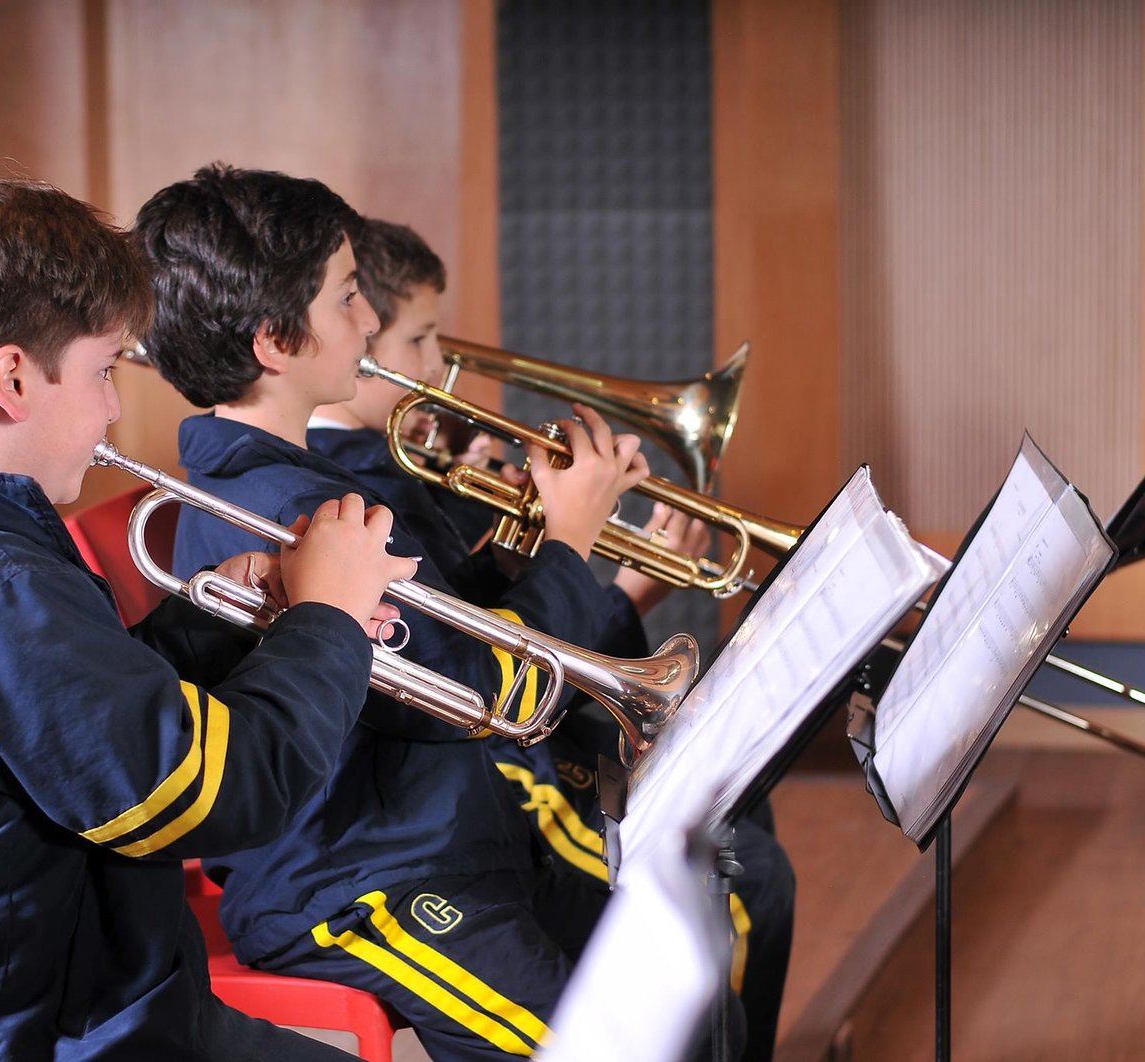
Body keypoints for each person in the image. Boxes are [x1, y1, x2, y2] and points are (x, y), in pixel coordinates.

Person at [0, 165, 418, 1061]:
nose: (116, 407)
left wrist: (226, 616)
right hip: (13, 1035)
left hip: (78, 1000)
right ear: (11, 380)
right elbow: (225, 795)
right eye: (103, 370)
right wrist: (327, 623)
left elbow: (83, 717)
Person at [132, 163, 739, 1062]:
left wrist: (513, 549)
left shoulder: (309, 480)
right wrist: (569, 543)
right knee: (605, 1048)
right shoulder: (283, 510)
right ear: (275, 341)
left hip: (440, 842)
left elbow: (449, 638)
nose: (369, 319)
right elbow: (487, 691)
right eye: (346, 298)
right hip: (355, 888)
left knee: (685, 971)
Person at [312, 216, 797, 1062]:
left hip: (474, 785)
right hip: (434, 817)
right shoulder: (347, 495)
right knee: (739, 881)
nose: (439, 367)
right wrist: (567, 543)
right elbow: (479, 678)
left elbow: (492, 631)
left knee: (740, 819)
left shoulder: (396, 472)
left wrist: (601, 571)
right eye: (421, 339)